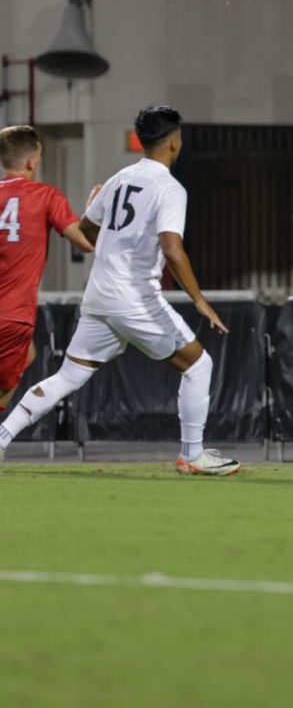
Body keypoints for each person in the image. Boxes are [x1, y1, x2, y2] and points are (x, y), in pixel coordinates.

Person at [0, 106, 239, 475]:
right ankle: (192, 455)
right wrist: (200, 300)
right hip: (134, 298)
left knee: (67, 377)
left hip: (97, 297)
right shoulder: (169, 187)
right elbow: (173, 249)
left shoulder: (119, 178)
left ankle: (1, 437)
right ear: (175, 142)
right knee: (198, 364)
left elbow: (87, 231)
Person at [0, 125, 94, 417]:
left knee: (28, 354)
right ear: (31, 161)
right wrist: (94, 210)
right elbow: (85, 243)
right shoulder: (45, 195)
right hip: (13, 315)